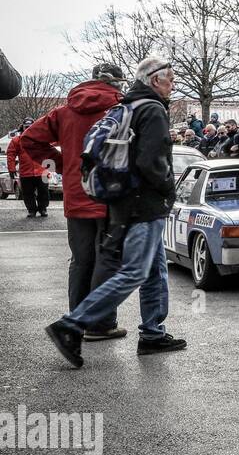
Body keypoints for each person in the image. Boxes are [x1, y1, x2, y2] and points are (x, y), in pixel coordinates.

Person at [44, 58, 187, 368]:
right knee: (135, 271)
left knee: (155, 271)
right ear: (154, 80)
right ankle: (71, 324)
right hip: (144, 204)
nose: (173, 84)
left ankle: (152, 332)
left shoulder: (129, 105)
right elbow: (152, 163)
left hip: (125, 200)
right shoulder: (152, 110)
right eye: (170, 79)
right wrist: (167, 190)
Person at [20, 63, 127, 340]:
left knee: (81, 260)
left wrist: (61, 163)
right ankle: (101, 323)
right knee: (108, 259)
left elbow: (28, 139)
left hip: (76, 193)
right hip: (109, 195)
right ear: (116, 83)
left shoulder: (64, 111)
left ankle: (76, 321)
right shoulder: (121, 110)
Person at [7, 119, 50, 218]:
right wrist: (11, 169)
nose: (28, 128)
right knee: (27, 193)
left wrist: (50, 169)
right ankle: (32, 210)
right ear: (23, 128)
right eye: (26, 127)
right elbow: (11, 154)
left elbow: (49, 153)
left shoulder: (42, 139)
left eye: (31, 126)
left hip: (42, 172)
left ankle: (43, 209)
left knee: (44, 192)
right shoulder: (17, 140)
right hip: (26, 172)